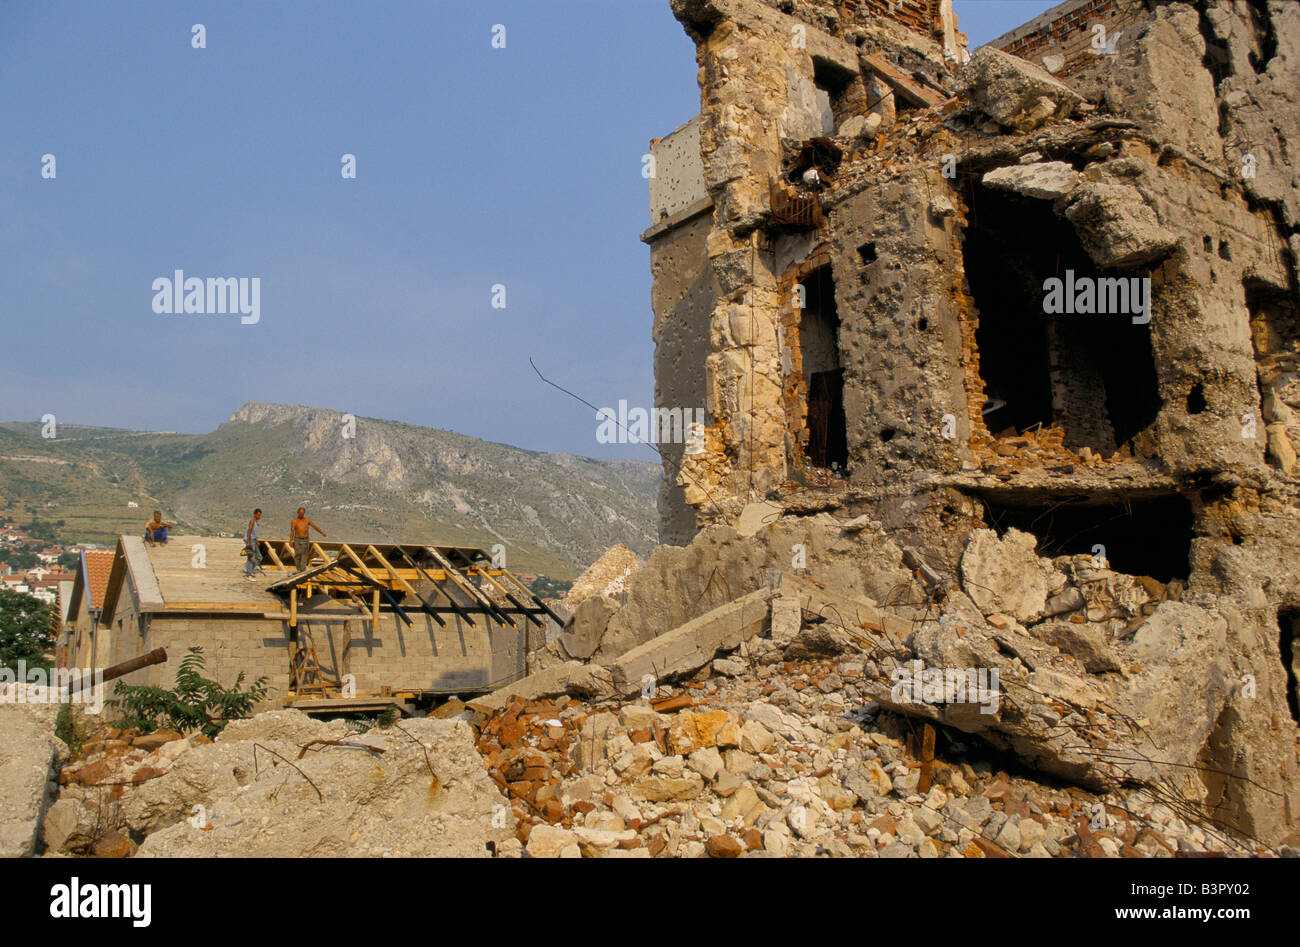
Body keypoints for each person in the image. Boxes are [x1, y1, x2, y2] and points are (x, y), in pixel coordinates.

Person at [243, 509, 263, 578]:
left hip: (253, 540)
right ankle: (249, 573)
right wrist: (248, 542)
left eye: (260, 515)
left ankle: (248, 568)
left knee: (259, 557)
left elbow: (255, 533)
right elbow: (249, 532)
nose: (259, 516)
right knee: (251, 557)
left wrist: (256, 540)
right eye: (258, 515)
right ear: (255, 514)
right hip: (250, 540)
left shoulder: (256, 523)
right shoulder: (252, 521)